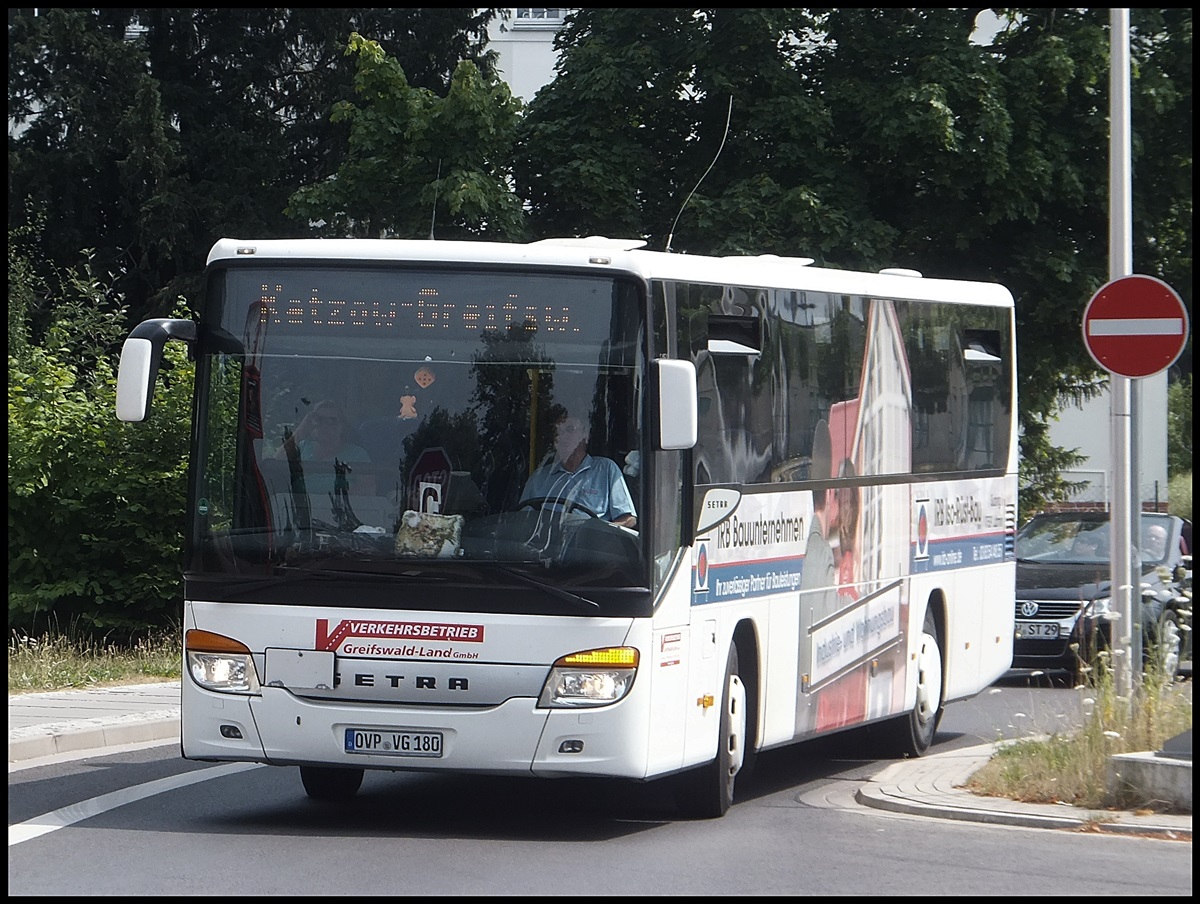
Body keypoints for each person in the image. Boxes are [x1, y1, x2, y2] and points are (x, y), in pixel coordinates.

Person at [519, 413, 636, 528]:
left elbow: (628, 519)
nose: (562, 436)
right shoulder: (539, 477)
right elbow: (523, 521)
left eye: (569, 430)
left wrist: (599, 533)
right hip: (547, 545)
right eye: (558, 432)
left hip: (590, 545)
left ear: (585, 435)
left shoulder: (605, 469)